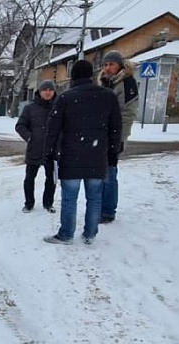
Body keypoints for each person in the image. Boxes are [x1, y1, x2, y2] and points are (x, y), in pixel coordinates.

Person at [43, 59, 121, 245]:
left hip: (71, 155)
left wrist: (49, 153)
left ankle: (66, 234)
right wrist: (112, 153)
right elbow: (115, 127)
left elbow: (52, 129)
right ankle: (90, 234)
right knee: (94, 197)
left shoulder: (65, 98)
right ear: (91, 76)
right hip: (97, 155)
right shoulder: (108, 96)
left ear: (73, 76)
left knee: (69, 197)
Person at [98, 50, 139, 224]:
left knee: (109, 173)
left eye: (111, 64)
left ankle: (108, 211)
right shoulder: (105, 83)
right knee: (100, 173)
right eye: (106, 64)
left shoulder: (127, 83)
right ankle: (100, 207)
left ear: (120, 65)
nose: (108, 68)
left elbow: (127, 114)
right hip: (100, 135)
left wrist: (119, 139)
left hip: (114, 136)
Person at [15, 80, 58, 213]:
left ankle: (48, 203)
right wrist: (30, 137)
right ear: (39, 92)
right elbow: (20, 126)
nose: (47, 92)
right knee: (29, 179)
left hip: (52, 150)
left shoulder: (59, 107)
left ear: (54, 92)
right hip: (35, 148)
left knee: (51, 179)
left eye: (50, 90)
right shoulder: (30, 108)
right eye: (44, 89)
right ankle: (29, 203)